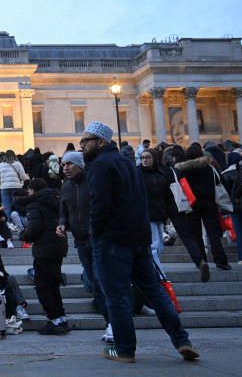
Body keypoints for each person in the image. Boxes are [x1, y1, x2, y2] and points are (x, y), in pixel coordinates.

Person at [81, 121, 199, 363]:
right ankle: (182, 340)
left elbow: (99, 204)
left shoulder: (100, 164)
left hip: (113, 239)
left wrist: (95, 232)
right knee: (155, 292)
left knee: (117, 296)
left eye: (86, 141)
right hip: (138, 237)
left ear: (101, 141)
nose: (82, 146)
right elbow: (140, 199)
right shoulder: (127, 162)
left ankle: (124, 349)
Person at [57, 150, 111, 342]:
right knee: (95, 283)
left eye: (69, 164)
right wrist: (62, 223)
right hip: (80, 241)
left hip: (98, 239)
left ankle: (113, 324)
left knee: (101, 279)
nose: (65, 168)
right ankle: (109, 323)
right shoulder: (65, 187)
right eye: (63, 165)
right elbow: (64, 211)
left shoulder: (93, 181)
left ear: (80, 165)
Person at [19, 178, 68, 334]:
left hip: (44, 249)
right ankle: (61, 319)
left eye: (29, 190)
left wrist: (23, 235)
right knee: (53, 285)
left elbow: (34, 229)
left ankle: (54, 320)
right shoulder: (56, 201)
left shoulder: (33, 204)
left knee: (43, 286)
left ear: (32, 190)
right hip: (58, 246)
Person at [174, 146, 231, 270]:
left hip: (191, 204)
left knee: (195, 234)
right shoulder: (209, 168)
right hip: (209, 203)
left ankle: (201, 260)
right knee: (213, 233)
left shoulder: (182, 170)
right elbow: (221, 182)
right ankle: (221, 260)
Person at [137, 148, 174, 276]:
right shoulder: (138, 174)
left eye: (147, 157)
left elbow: (165, 194)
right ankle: (159, 275)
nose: (144, 160)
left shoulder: (160, 174)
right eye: (142, 158)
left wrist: (167, 210)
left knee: (159, 246)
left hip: (160, 213)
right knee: (153, 245)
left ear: (154, 159)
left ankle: (152, 272)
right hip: (145, 214)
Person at [0, 150, 27, 223]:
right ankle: (17, 223)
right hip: (16, 188)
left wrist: (2, 183)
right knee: (16, 205)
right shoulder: (18, 164)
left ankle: (8, 223)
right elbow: (23, 176)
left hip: (4, 188)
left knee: (6, 207)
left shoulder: (0, 165)